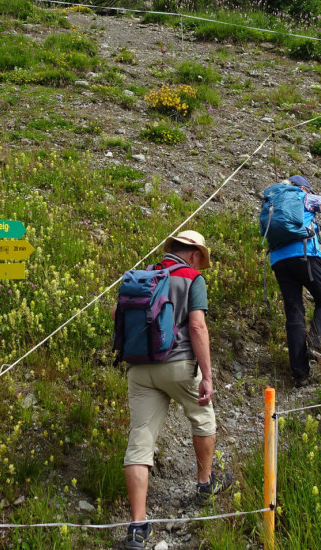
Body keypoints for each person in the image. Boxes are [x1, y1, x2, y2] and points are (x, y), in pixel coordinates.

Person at [118, 231, 230, 550]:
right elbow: (196, 326)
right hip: (179, 363)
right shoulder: (192, 278)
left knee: (140, 439)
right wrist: (207, 375)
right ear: (195, 254)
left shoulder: (143, 275)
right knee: (203, 418)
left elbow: (118, 316)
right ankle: (205, 486)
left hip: (139, 368)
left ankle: (138, 527)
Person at [268, 173, 321, 385]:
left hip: (278, 259)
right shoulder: (304, 197)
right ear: (304, 188)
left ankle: (300, 373)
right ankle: (315, 344)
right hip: (305, 254)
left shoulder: (273, 202)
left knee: (294, 311)